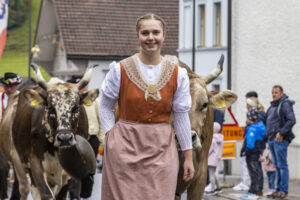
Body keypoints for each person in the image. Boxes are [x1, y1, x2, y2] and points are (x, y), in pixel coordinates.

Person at [99, 13, 194, 200]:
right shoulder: (120, 70)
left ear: (164, 35)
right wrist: (111, 136)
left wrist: (188, 157)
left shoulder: (178, 74)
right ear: (138, 36)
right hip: (124, 146)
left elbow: (182, 116)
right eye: (145, 33)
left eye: (155, 32)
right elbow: (105, 107)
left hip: (162, 148)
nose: (151, 38)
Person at [66, 75, 104, 200]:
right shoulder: (69, 101)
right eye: (78, 87)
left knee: (89, 168)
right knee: (76, 166)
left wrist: (102, 139)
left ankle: (85, 194)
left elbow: (101, 121)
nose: (81, 89)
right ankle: (74, 195)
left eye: (83, 86)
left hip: (92, 138)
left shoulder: (94, 101)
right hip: (75, 137)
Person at [266, 85, 296, 199]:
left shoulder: (285, 104)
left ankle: (284, 191)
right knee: (277, 166)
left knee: (282, 166)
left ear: (282, 93)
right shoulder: (273, 105)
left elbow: (291, 120)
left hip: (280, 139)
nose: (274, 94)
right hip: (272, 140)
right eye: (272, 92)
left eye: (276, 92)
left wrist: (281, 133)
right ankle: (278, 190)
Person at [0, 72, 22, 200]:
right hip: (1, 140)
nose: (9, 89)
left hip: (17, 140)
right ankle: (2, 196)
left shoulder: (23, 99)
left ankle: (16, 197)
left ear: (17, 85)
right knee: (2, 168)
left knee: (20, 170)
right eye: (6, 86)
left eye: (12, 86)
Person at [240, 108, 266, 200]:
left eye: (247, 117)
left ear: (250, 118)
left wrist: (245, 152)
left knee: (253, 173)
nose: (246, 119)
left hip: (251, 155)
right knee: (255, 173)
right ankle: (252, 191)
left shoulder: (252, 129)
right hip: (256, 153)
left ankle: (253, 193)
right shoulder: (260, 126)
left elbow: (250, 144)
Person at [245, 95, 266, 196]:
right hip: (257, 148)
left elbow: (250, 141)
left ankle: (256, 189)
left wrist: (246, 151)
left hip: (253, 150)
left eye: (247, 104)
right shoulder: (258, 119)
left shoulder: (255, 123)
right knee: (256, 170)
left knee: (255, 170)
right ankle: (256, 189)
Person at [205, 122, 224, 195]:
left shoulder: (212, 139)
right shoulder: (220, 137)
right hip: (217, 158)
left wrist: (205, 154)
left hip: (211, 159)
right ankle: (218, 187)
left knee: (211, 174)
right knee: (214, 173)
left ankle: (212, 189)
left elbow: (210, 149)